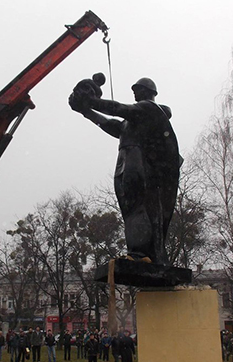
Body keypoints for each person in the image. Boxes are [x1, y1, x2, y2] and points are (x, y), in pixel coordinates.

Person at [70, 77, 180, 265]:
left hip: (137, 160)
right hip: (125, 160)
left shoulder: (150, 109)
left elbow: (120, 109)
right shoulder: (132, 123)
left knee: (137, 206)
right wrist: (86, 112)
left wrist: (91, 102)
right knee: (130, 208)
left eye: (139, 89)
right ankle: (138, 252)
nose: (135, 92)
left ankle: (141, 253)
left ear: (150, 92)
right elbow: (111, 123)